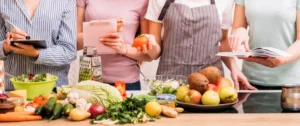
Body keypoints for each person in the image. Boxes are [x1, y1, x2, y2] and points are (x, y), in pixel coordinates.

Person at [143, 0, 256, 90]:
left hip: (210, 84)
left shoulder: (224, 1)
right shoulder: (159, 1)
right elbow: (155, 52)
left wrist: (234, 68)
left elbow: (222, 41)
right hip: (170, 83)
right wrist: (149, 46)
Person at [0, 0, 77, 91]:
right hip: (14, 92)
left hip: (54, 92)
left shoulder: (66, 1)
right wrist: (5, 46)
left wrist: (37, 53)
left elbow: (69, 50)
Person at [76, 0, 150, 90]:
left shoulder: (143, 2)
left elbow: (148, 54)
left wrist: (124, 49)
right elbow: (76, 41)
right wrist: (107, 27)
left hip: (125, 83)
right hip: (89, 78)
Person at [228, 0, 300, 90]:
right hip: (250, 81)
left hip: (291, 85)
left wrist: (280, 59)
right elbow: (237, 28)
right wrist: (240, 31)